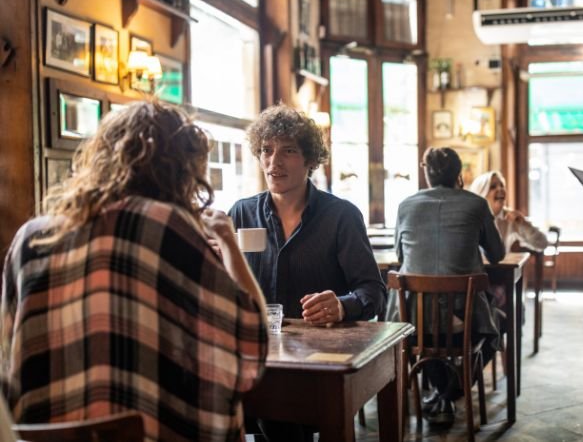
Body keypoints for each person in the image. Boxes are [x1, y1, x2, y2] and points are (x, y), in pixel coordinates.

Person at [0, 101, 268, 442]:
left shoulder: (30, 239)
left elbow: (8, 365)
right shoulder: (169, 226)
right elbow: (250, 351)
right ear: (182, 169)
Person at [228, 104, 385, 440]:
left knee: (281, 418)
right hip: (256, 354)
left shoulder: (341, 216)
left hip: (318, 364)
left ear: (311, 159)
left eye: (288, 151)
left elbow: (373, 291)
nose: (274, 162)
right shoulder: (241, 213)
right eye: (266, 151)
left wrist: (342, 305)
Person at [395, 147, 505, 425]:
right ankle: (451, 392)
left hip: (411, 324)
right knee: (498, 324)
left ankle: (440, 394)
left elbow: (400, 258)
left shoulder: (406, 206)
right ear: (460, 175)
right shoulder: (476, 205)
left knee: (428, 323)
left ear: (427, 174)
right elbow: (497, 255)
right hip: (462, 322)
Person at [469, 170, 548, 253]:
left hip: (502, 266)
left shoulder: (511, 217)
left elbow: (542, 244)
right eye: (493, 187)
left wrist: (524, 224)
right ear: (480, 194)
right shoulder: (470, 218)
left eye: (502, 185)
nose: (500, 189)